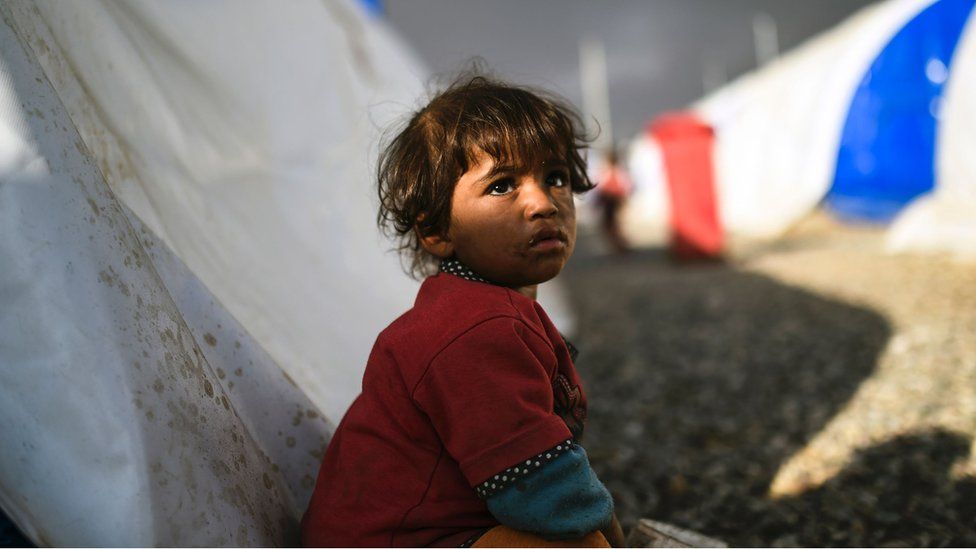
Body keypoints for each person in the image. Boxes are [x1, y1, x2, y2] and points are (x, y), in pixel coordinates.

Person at [301, 73, 626, 548]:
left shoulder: (489, 310)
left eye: (554, 178)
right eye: (501, 186)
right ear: (436, 230)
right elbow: (537, 483)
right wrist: (612, 534)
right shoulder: (473, 331)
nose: (543, 203)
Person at [595, 149, 632, 254]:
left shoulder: (608, 172)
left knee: (610, 224)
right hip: (614, 201)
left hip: (611, 201)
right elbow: (627, 186)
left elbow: (601, 188)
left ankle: (619, 245)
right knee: (613, 224)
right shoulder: (618, 172)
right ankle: (619, 244)